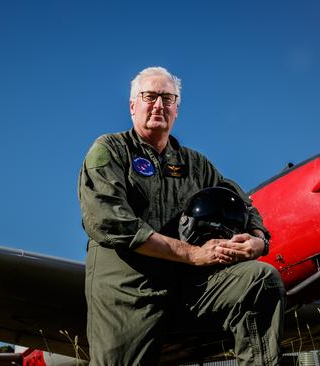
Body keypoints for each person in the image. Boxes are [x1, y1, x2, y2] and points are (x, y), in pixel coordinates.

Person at [78, 66, 285, 365]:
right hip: (129, 288)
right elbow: (109, 220)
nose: (159, 105)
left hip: (188, 284)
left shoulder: (196, 164)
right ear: (132, 105)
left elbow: (242, 204)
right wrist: (192, 254)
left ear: (177, 109)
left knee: (260, 280)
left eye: (168, 98)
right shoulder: (110, 150)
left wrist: (257, 240)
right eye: (150, 96)